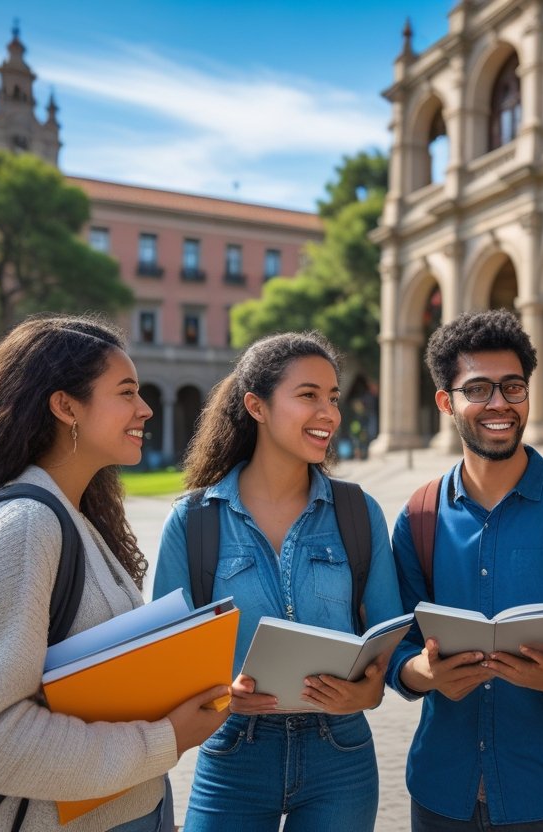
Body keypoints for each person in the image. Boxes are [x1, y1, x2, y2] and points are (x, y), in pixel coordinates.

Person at [0, 315, 228, 832]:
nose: (145, 408)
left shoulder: (74, 515)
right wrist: (164, 739)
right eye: (126, 392)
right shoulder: (26, 525)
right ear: (65, 405)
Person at [385, 309, 543, 831]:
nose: (499, 403)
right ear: (445, 402)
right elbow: (392, 645)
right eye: (478, 389)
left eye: (512, 387)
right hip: (438, 791)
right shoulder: (418, 517)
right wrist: (419, 673)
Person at [152, 331, 403, 831]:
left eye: (333, 397)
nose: (329, 413)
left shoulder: (359, 512)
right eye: (308, 395)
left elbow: (385, 639)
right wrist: (222, 693)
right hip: (232, 753)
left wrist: (367, 694)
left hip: (342, 753)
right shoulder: (193, 520)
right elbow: (166, 658)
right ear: (257, 406)